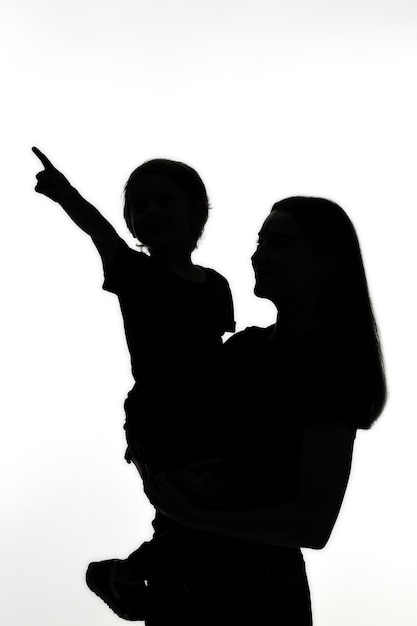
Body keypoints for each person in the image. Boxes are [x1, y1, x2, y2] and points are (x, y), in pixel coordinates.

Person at [145, 196, 388, 625]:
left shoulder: (329, 369)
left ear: (325, 262)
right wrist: (165, 476)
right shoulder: (243, 349)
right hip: (187, 581)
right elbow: (184, 430)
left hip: (258, 595)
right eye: (260, 242)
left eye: (279, 243)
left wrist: (193, 516)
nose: (259, 255)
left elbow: (311, 525)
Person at [32, 147, 235, 623]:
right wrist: (65, 194)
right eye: (139, 206)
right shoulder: (133, 271)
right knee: (186, 506)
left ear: (197, 213)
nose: (151, 212)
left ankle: (125, 576)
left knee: (212, 509)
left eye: (165, 200)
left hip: (211, 415)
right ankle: (129, 578)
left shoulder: (216, 285)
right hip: (158, 418)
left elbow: (217, 354)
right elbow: (98, 229)